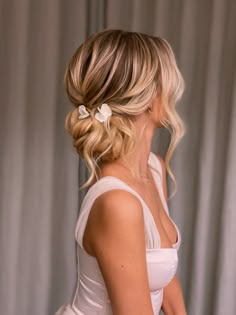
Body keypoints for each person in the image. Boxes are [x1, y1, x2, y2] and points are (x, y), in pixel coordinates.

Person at [55, 29, 187, 315]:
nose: (175, 91)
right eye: (168, 82)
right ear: (147, 98)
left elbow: (165, 280)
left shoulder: (154, 168)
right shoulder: (118, 203)